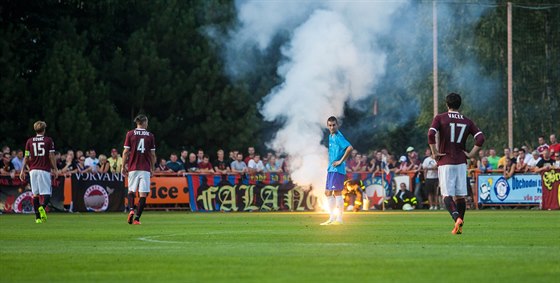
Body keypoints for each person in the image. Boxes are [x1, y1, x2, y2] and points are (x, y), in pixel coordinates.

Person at [428, 93, 485, 235]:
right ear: (460, 105)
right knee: (460, 196)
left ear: (447, 104)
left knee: (447, 195)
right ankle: (459, 226)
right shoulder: (467, 121)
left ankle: (456, 218)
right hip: (461, 162)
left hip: (445, 161)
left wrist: (434, 152)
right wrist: (471, 154)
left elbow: (430, 134)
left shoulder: (440, 118)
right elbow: (480, 138)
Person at [19, 121, 59, 224]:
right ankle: (42, 207)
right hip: (44, 170)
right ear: (44, 129)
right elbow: (51, 156)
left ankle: (37, 218)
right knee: (47, 193)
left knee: (35, 194)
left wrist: (22, 170)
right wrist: (55, 168)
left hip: (33, 170)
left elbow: (26, 157)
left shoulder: (29, 141)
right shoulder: (48, 140)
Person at [122, 114, 156, 225]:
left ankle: (131, 209)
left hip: (133, 168)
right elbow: (152, 154)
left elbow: (126, 152)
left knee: (131, 191)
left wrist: (123, 166)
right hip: (145, 168)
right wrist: (152, 167)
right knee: (143, 194)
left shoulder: (130, 134)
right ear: (145, 122)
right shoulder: (150, 135)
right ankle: (137, 218)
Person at [321, 116, 353, 226]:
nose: (332, 127)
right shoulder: (331, 136)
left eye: (334, 125)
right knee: (327, 192)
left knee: (337, 192)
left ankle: (339, 219)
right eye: (330, 125)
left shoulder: (338, 136)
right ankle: (332, 218)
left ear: (337, 125)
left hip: (337, 169)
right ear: (327, 126)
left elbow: (349, 148)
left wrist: (340, 161)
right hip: (331, 169)